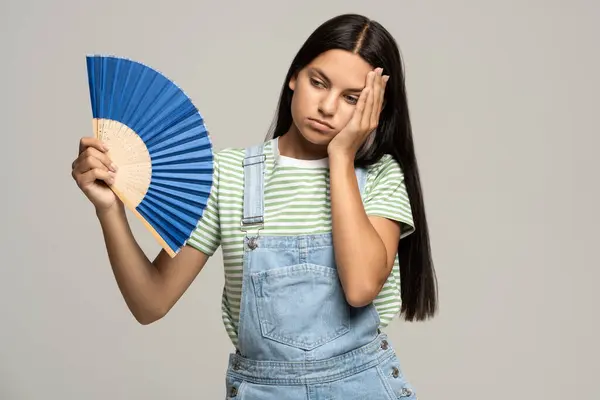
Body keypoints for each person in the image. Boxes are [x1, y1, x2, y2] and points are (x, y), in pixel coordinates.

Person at [71, 13, 438, 400]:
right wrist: (109, 210)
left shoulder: (380, 177)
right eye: (318, 82)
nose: (328, 107)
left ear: (375, 109)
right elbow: (151, 302)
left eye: (352, 98)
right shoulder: (229, 176)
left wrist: (342, 157)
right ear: (294, 76)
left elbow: (362, 287)